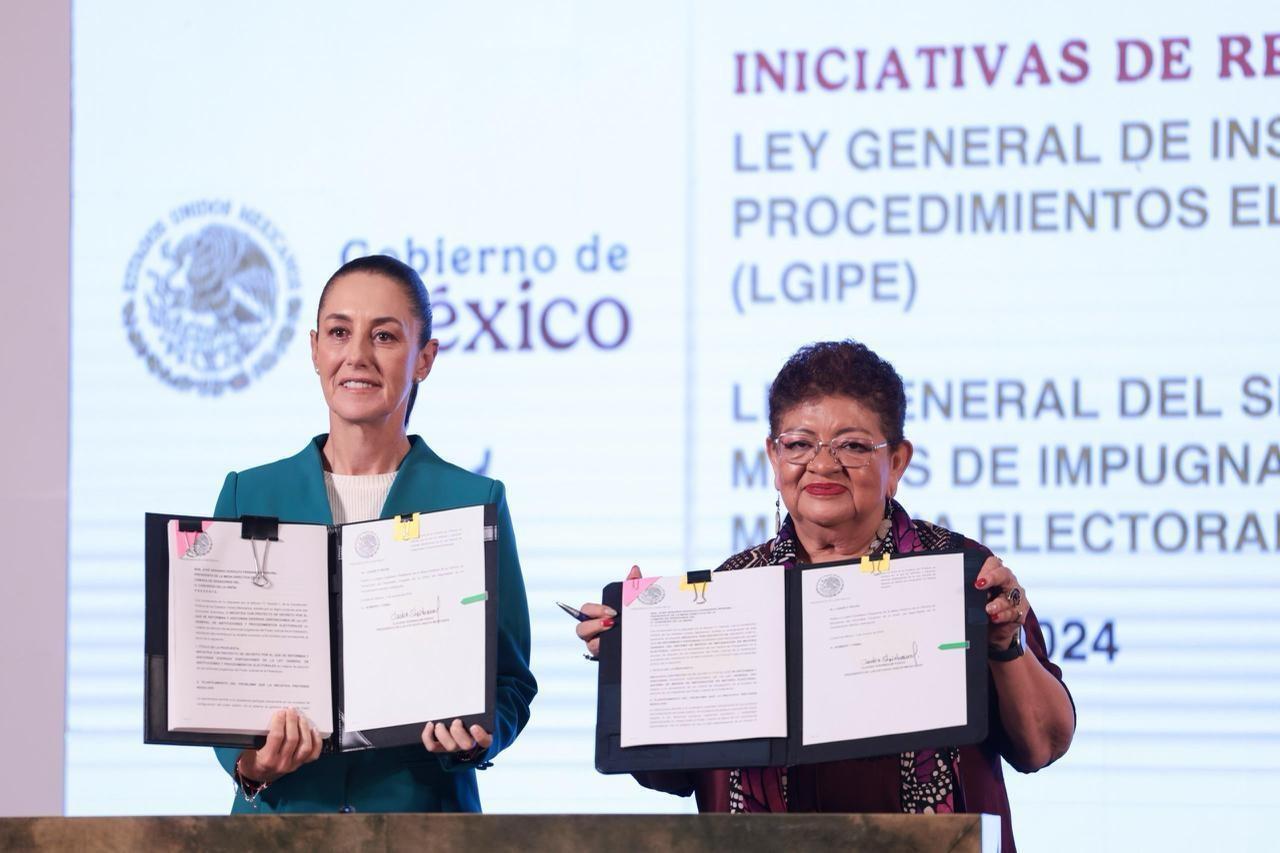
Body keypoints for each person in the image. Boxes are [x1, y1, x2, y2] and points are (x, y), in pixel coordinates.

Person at [575, 340, 1073, 852]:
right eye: (798, 444)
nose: (822, 464)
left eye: (853, 446)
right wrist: (634, 664)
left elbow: (1043, 745)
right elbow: (674, 775)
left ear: (897, 461)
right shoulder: (728, 591)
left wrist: (1003, 644)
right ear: (773, 456)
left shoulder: (961, 574)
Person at [211, 254, 537, 813]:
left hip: (422, 825)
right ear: (315, 350)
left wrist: (480, 735)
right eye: (339, 332)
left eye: (384, 336)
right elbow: (220, 676)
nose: (357, 355)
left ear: (424, 359)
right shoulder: (248, 495)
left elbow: (509, 683)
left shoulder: (473, 501)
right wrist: (250, 762)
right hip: (282, 825)